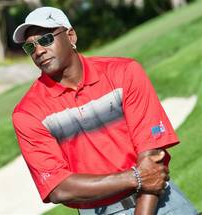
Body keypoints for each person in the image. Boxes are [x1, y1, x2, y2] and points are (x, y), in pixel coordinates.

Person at [11, 6, 198, 215]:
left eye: (46, 39)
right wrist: (135, 178)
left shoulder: (124, 73)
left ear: (70, 35)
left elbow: (152, 157)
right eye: (30, 47)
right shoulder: (27, 113)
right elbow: (59, 188)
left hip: (162, 202)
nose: (39, 51)